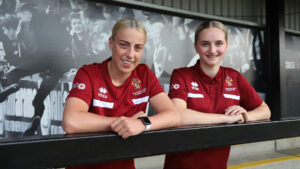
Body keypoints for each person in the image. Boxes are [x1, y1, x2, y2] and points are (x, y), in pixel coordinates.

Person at [62, 18, 181, 169]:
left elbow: (174, 116)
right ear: (111, 43)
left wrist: (141, 124)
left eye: (138, 48)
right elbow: (71, 121)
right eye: (124, 45)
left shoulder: (144, 75)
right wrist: (124, 122)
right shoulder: (89, 73)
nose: (130, 54)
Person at [163, 20, 271, 169]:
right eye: (205, 44)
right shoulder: (182, 75)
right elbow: (178, 115)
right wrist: (227, 118)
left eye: (219, 43)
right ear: (196, 47)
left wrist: (245, 116)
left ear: (226, 46)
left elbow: (265, 110)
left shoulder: (235, 77)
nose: (212, 50)